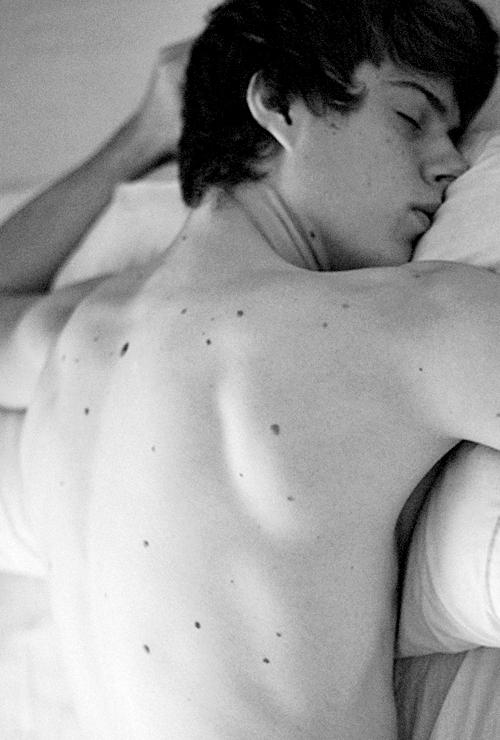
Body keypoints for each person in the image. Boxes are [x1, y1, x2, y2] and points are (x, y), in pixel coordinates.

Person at [0, 0, 499, 738]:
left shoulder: (73, 336)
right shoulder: (401, 324)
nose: (450, 163)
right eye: (411, 117)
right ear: (278, 103)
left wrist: (138, 139)